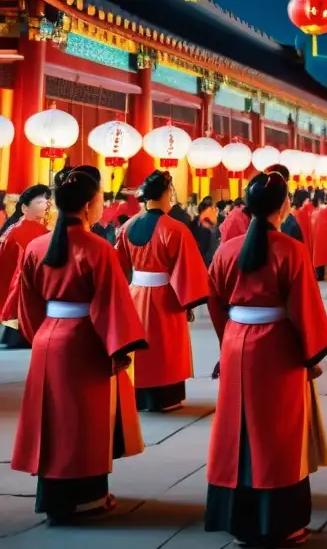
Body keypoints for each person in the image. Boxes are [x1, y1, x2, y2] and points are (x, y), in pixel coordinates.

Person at [205, 171, 327, 548]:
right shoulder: (291, 250)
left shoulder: (227, 249)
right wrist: (311, 356)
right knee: (277, 434)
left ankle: (236, 517)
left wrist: (227, 342)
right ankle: (279, 522)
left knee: (236, 428)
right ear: (284, 206)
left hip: (236, 342)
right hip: (277, 348)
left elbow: (216, 302)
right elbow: (304, 308)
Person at [12, 166, 147, 524]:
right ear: (89, 205)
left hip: (48, 340)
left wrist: (43, 336)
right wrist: (118, 351)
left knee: (53, 421)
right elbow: (112, 304)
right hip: (86, 342)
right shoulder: (98, 249)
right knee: (84, 423)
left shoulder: (36, 246)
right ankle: (87, 498)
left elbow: (26, 303)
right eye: (101, 198)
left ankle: (54, 497)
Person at [116, 171, 209, 412]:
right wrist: (187, 302)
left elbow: (118, 266)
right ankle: (165, 397)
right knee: (165, 348)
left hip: (136, 293)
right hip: (165, 297)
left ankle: (139, 396)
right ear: (166, 195)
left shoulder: (127, 226)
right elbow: (187, 268)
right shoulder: (174, 229)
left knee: (140, 348)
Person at [0, 184, 51, 348]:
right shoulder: (18, 231)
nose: (46, 205)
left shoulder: (43, 231)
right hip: (23, 287)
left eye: (47, 201)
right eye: (40, 201)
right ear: (24, 207)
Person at [190, 196, 220, 267]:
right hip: (205, 261)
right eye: (213, 208)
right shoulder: (195, 223)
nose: (214, 210)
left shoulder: (195, 222)